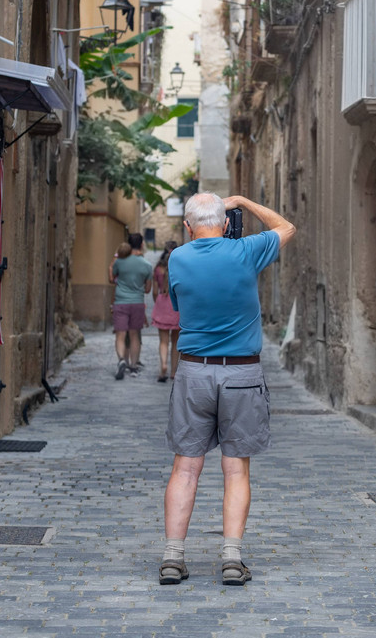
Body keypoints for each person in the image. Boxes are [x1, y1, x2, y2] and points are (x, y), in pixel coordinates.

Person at [159, 192, 295, 587]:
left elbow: (183, 306)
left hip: (193, 374)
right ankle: (232, 559)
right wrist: (244, 202)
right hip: (241, 375)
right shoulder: (246, 252)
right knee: (235, 469)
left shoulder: (178, 259)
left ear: (187, 227)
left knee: (185, 468)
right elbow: (286, 227)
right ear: (224, 222)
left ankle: (172, 558)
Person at [109, 232, 152, 380]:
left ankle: (121, 360)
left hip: (121, 302)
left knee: (120, 335)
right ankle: (133, 366)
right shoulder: (147, 265)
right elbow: (147, 289)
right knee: (134, 335)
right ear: (141, 245)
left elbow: (111, 278)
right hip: (137, 303)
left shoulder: (120, 262)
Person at [151, 240, 180, 382]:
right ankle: (174, 371)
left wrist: (158, 301)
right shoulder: (180, 268)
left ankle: (163, 366)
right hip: (176, 306)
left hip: (162, 303)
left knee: (163, 341)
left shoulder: (158, 268)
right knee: (176, 343)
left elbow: (155, 291)